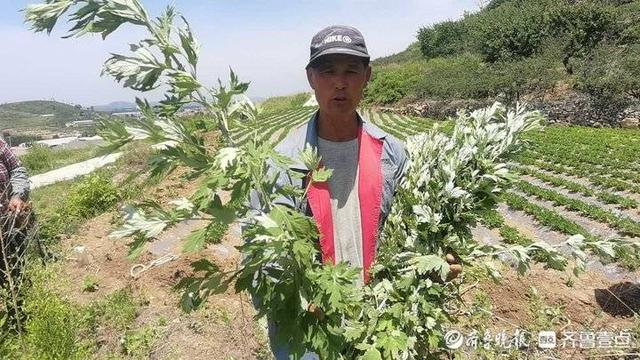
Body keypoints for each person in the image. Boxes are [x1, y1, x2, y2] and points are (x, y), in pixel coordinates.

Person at [256, 25, 461, 359]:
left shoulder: (393, 154)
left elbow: (413, 229)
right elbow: (261, 257)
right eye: (328, 71)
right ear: (311, 78)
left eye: (351, 70)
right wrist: (302, 298)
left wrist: (437, 258)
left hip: (381, 319)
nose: (340, 82)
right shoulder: (281, 162)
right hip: (310, 332)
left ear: (367, 76)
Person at [0, 137, 31, 328]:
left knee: (15, 267)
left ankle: (20, 313)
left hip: (9, 220)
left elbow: (17, 170)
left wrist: (17, 195)